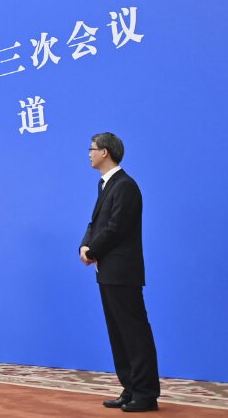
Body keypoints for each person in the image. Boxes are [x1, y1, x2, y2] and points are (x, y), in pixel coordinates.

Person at [80, 132, 160, 412]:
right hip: (107, 270)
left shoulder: (125, 186)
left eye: (92, 149)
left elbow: (116, 227)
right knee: (118, 333)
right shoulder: (105, 185)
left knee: (134, 332)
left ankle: (146, 393)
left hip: (123, 271)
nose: (88, 154)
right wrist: (85, 245)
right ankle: (130, 387)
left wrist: (92, 251)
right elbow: (95, 223)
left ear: (105, 152)